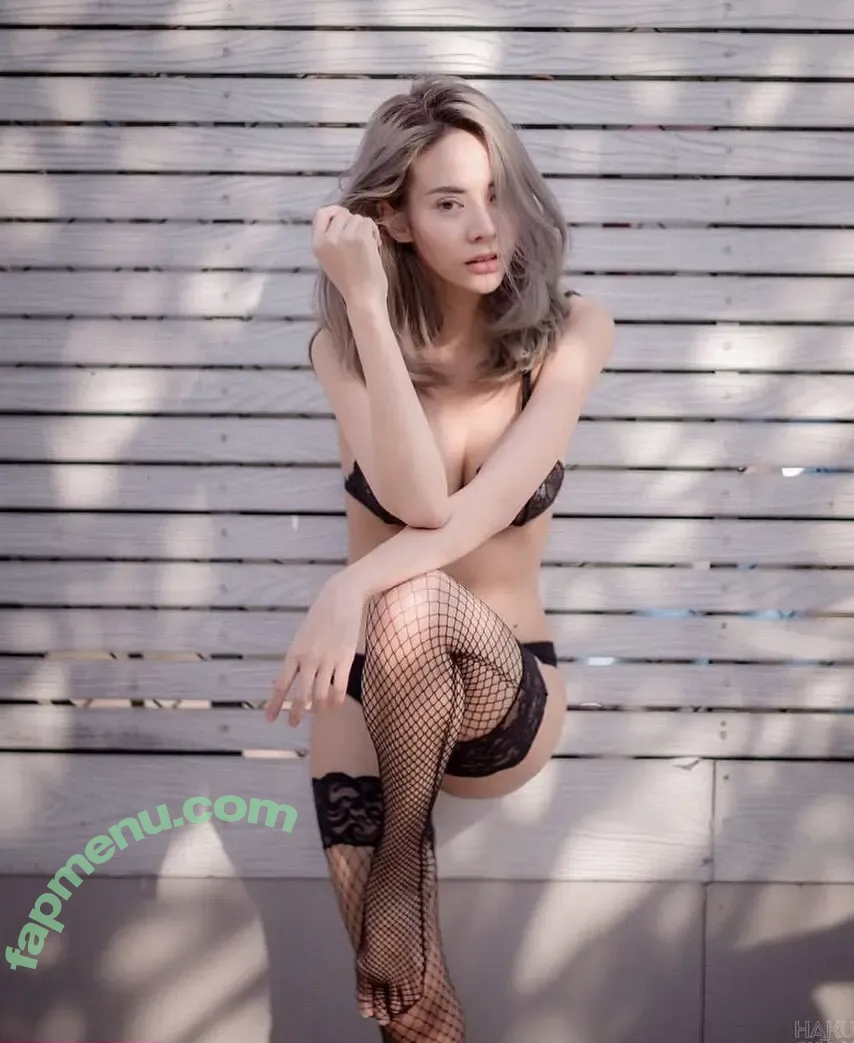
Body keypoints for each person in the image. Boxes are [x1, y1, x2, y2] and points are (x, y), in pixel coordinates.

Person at [264, 75, 615, 1043]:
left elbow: (467, 517)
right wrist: (367, 307)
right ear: (395, 219)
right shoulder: (343, 349)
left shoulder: (571, 334)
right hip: (365, 699)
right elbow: (418, 497)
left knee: (409, 597)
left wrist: (351, 584)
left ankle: (398, 868)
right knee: (414, 1017)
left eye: (496, 193)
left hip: (504, 689)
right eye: (450, 203)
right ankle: (399, 891)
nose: (485, 225)